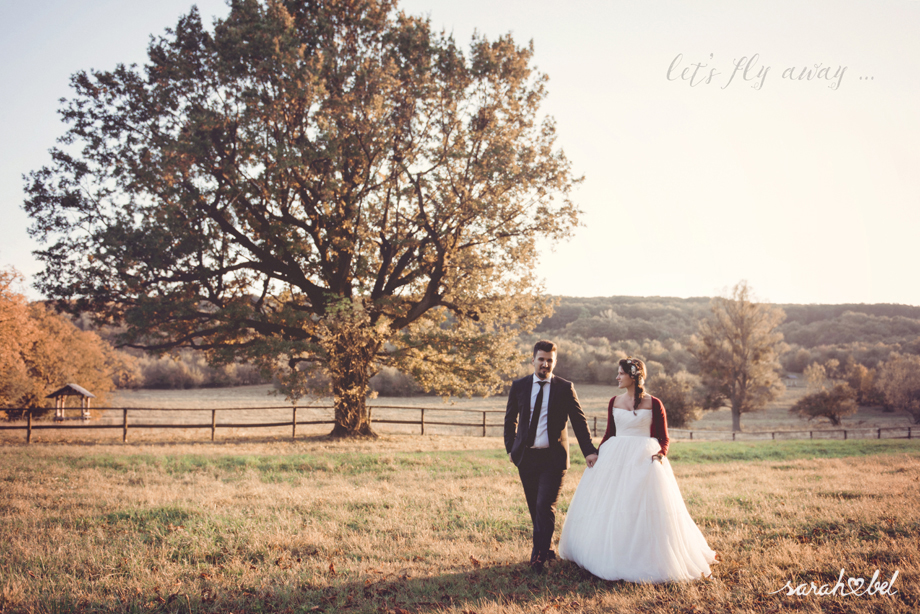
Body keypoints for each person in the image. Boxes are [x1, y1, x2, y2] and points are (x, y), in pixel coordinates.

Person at [558, 357, 717, 582]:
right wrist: (597, 454)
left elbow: (663, 437)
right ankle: (610, 549)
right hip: (615, 456)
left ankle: (646, 554)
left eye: (620, 373)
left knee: (643, 507)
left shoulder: (654, 403)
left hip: (644, 457)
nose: (617, 377)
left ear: (633, 375)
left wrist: (661, 453)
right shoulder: (614, 401)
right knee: (612, 504)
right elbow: (609, 433)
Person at [504, 340, 599, 573]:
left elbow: (579, 419)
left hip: (553, 459)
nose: (545, 364)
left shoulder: (564, 387)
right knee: (534, 507)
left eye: (550, 360)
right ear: (533, 359)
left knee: (545, 506)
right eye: (541, 359)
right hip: (526, 458)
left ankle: (538, 558)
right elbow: (510, 420)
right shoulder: (520, 386)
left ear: (554, 362)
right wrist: (511, 448)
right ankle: (545, 548)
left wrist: (588, 450)